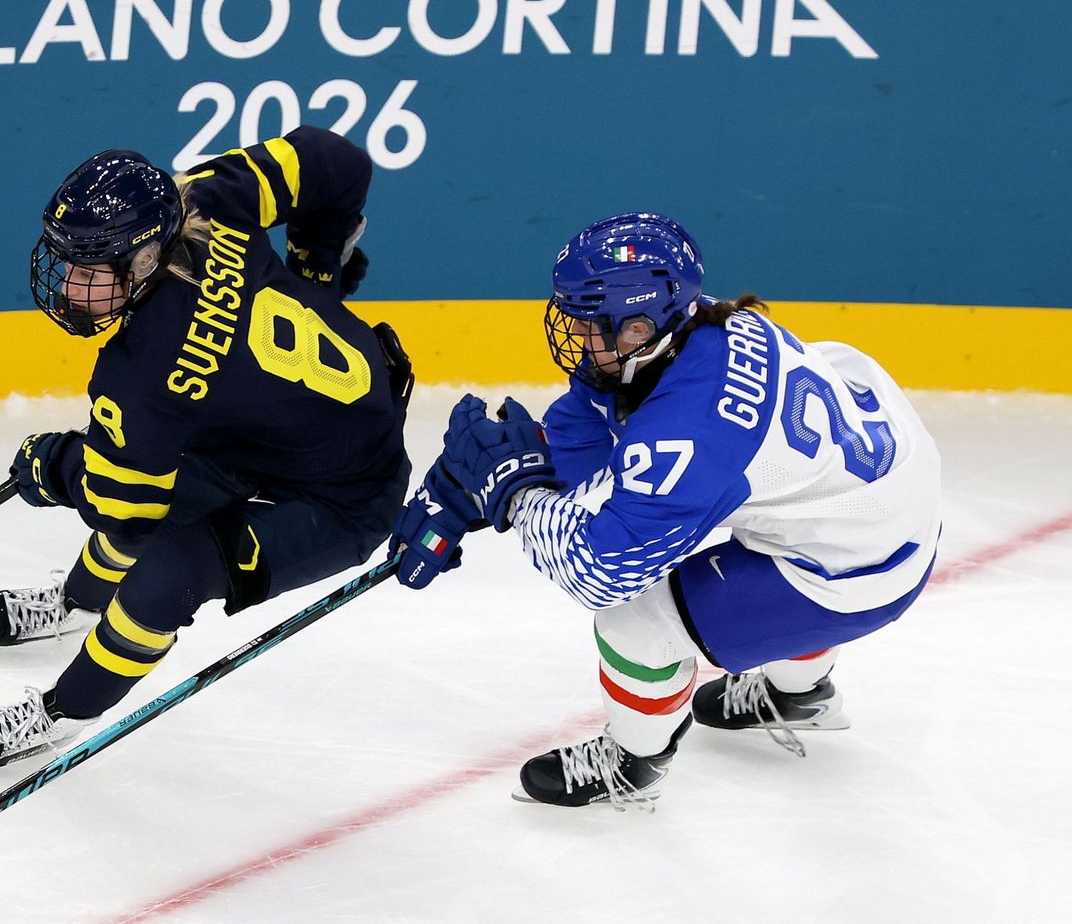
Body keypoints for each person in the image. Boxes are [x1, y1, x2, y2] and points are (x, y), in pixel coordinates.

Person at [391, 212, 940, 808]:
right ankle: (799, 692)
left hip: (862, 564)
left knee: (636, 626)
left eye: (590, 322)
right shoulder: (690, 332)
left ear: (638, 325)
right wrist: (470, 487)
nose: (576, 334)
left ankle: (634, 762)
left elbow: (601, 571)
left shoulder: (693, 431)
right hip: (883, 493)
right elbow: (589, 432)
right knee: (780, 534)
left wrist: (518, 497)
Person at [0, 127, 413, 768]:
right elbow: (338, 162)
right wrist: (317, 266)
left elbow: (123, 509)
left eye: (91, 270)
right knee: (168, 485)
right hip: (289, 426)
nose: (73, 290)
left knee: (166, 574)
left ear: (142, 258)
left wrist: (57, 468)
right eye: (69, 262)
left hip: (346, 496)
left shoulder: (144, 376)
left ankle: (63, 713)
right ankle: (77, 603)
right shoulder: (212, 198)